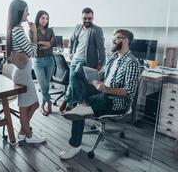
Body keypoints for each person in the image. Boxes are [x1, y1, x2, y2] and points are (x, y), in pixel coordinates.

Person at [59, 29, 141, 159]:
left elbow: (129, 91)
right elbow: (102, 74)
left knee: (81, 104)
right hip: (101, 90)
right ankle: (79, 105)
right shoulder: (113, 57)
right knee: (75, 75)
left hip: (114, 100)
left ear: (126, 41)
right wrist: (93, 76)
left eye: (117, 38)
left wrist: (105, 89)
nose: (113, 40)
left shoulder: (132, 63)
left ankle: (75, 144)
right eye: (114, 37)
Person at [6, 0, 45, 144]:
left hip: (22, 72)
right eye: (27, 10)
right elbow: (32, 52)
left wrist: (30, 37)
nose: (28, 13)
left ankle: (23, 132)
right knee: (28, 106)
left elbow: (28, 51)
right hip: (23, 74)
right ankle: (28, 136)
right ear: (20, 12)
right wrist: (34, 33)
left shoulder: (14, 29)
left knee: (31, 104)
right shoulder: (17, 30)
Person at [59, 7, 106, 112]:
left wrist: (101, 63)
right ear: (82, 18)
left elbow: (101, 48)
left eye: (89, 18)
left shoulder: (96, 30)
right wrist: (70, 52)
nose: (87, 21)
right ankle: (69, 101)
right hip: (75, 59)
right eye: (85, 18)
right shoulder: (78, 27)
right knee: (72, 81)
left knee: (74, 76)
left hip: (86, 61)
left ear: (93, 18)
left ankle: (71, 102)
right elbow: (71, 40)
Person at [30, 10, 56, 116]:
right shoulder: (33, 30)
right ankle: (49, 102)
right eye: (42, 18)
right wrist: (47, 44)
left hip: (50, 60)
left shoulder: (50, 30)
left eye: (46, 18)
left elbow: (54, 43)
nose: (45, 20)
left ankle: (42, 105)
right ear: (38, 18)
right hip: (38, 61)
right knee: (43, 85)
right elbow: (35, 44)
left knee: (46, 86)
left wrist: (42, 43)